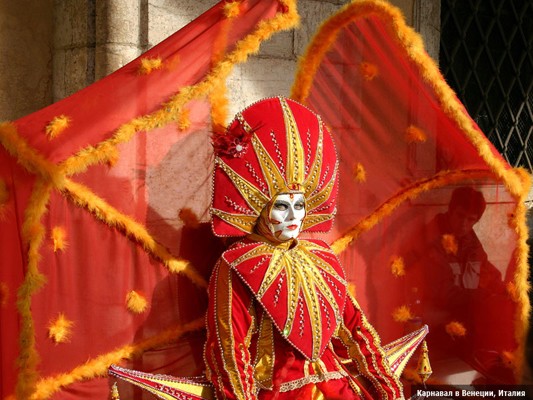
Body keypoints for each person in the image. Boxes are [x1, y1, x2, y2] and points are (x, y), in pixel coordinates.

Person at [204, 96, 404, 399]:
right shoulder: (237, 265)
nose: (294, 216)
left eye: (300, 205)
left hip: (337, 389)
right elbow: (230, 349)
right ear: (260, 207)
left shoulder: (321, 258)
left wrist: (388, 390)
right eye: (282, 206)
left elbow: (355, 330)